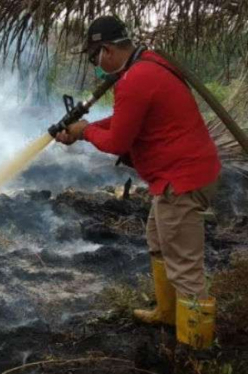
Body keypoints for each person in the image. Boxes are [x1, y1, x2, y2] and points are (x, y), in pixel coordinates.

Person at [56, 15, 221, 349]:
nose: (95, 64)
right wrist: (85, 126)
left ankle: (196, 350)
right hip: (176, 176)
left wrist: (85, 131)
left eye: (94, 56)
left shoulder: (136, 79)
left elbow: (118, 142)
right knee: (157, 238)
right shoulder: (146, 65)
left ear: (106, 50)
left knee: (185, 267)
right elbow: (124, 119)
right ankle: (166, 312)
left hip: (183, 180)